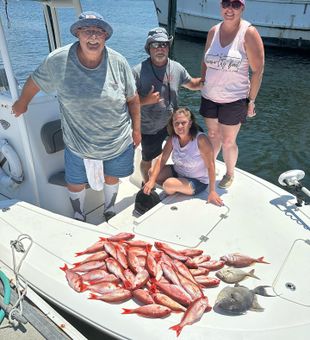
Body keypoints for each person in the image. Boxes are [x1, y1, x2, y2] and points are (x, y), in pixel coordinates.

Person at [12, 11, 141, 222]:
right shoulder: (58, 60)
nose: (93, 36)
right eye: (87, 30)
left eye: (99, 31)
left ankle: (109, 208)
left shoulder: (119, 62)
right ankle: (79, 212)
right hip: (78, 141)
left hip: (116, 138)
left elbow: (133, 99)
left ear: (106, 36)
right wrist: (22, 102)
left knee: (112, 176)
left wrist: (136, 130)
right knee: (75, 180)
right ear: (78, 33)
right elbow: (35, 81)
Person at [200, 0, 264, 188]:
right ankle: (210, 167)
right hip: (209, 96)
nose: (230, 9)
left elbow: (258, 70)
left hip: (234, 99)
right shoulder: (213, 31)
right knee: (213, 134)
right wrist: (202, 82)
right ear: (221, 6)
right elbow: (205, 60)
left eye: (235, 5)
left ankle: (229, 173)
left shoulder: (249, 33)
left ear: (242, 8)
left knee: (228, 141)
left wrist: (250, 101)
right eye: (226, 3)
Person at [132, 27, 203, 184]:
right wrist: (145, 100)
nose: (160, 48)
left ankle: (190, 171)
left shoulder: (177, 68)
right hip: (149, 127)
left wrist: (210, 79)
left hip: (173, 124)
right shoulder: (137, 72)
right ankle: (147, 184)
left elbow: (192, 84)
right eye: (155, 45)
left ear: (168, 47)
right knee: (147, 159)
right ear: (148, 48)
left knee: (197, 139)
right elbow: (126, 101)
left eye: (164, 44)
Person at [143, 107, 223, 206]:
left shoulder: (201, 140)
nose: (180, 126)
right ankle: (177, 187)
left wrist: (212, 191)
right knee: (152, 173)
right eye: (176, 123)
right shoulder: (173, 138)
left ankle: (174, 187)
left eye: (183, 123)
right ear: (172, 125)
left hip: (198, 180)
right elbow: (162, 158)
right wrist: (151, 180)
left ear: (190, 123)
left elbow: (211, 166)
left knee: (168, 184)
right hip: (178, 171)